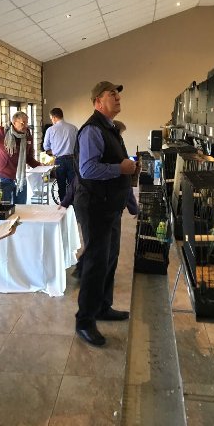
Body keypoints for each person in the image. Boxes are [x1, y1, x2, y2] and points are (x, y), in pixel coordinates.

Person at [73, 81, 137, 347]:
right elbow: (88, 170)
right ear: (98, 102)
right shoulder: (91, 130)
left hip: (111, 204)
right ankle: (85, 321)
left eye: (118, 93)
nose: (117, 97)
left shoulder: (111, 129)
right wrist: (120, 169)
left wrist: (130, 199)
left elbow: (118, 164)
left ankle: (102, 306)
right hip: (94, 206)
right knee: (96, 263)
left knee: (110, 258)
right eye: (112, 94)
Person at [61, 119, 138, 280]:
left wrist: (133, 208)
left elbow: (125, 187)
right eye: (119, 135)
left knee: (101, 247)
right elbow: (79, 181)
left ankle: (87, 275)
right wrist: (65, 203)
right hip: (91, 204)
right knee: (95, 247)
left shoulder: (114, 155)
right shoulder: (93, 140)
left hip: (107, 204)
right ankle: (85, 276)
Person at [43, 107, 78, 202]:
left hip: (59, 160)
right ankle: (73, 205)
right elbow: (78, 145)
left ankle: (63, 206)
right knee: (73, 184)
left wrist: (54, 150)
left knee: (61, 185)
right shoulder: (73, 128)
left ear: (54, 117)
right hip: (72, 159)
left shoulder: (50, 130)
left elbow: (46, 147)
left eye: (51, 118)